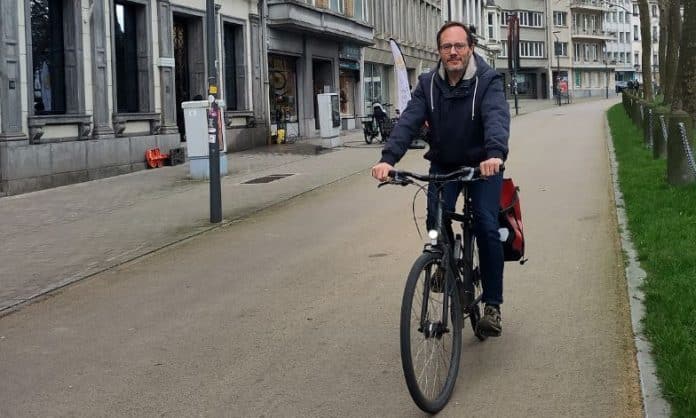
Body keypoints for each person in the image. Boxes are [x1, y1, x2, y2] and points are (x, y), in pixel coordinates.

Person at [371, 21, 510, 337]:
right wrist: (387, 159)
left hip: (483, 165)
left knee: (487, 226)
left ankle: (492, 305)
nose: (453, 52)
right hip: (445, 164)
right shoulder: (428, 84)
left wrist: (495, 153)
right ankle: (443, 258)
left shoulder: (487, 81)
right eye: (447, 47)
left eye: (459, 46)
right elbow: (408, 122)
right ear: (440, 52)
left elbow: (496, 118)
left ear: (470, 48)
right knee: (436, 218)